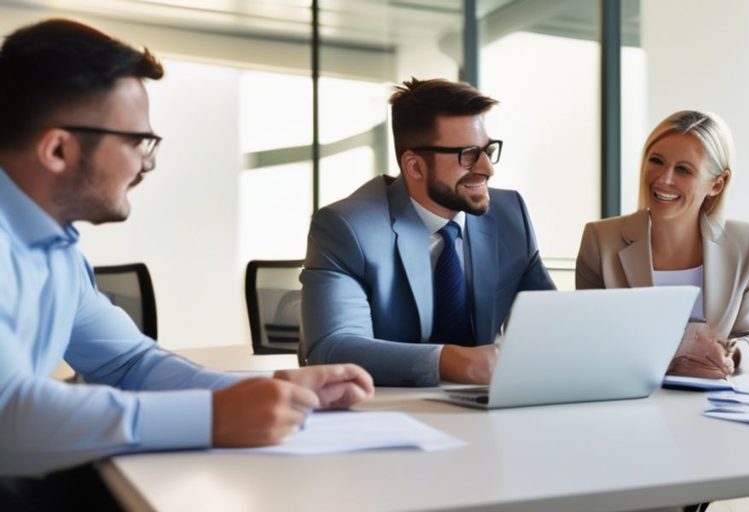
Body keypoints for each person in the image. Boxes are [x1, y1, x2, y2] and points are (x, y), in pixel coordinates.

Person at [0, 18, 375, 503]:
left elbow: (128, 362)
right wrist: (214, 417)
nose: (147, 163)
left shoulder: (56, 248)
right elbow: (8, 415)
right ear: (58, 148)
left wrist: (271, 393)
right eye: (137, 141)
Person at [300, 77, 555, 387]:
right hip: (393, 410)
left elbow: (551, 327)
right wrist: (453, 361)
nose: (487, 168)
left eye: (488, 150)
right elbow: (333, 346)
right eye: (468, 155)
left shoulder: (509, 214)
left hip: (488, 404)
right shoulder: (347, 228)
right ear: (415, 167)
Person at [575, 110, 749, 378]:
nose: (663, 179)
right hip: (630, 396)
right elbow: (589, 340)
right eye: (656, 161)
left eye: (683, 170)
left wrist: (730, 357)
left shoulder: (747, 244)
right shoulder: (600, 241)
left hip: (711, 398)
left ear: (717, 184)